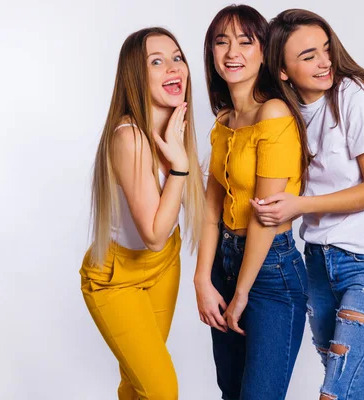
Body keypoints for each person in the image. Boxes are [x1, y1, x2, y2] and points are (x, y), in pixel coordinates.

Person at [252, 9, 364, 399]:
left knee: (338, 393)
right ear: (283, 70)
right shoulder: (285, 112)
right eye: (308, 56)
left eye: (326, 49)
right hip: (319, 264)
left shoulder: (356, 94)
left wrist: (299, 206)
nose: (325, 62)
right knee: (351, 389)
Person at [194, 5, 311, 400]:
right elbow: (211, 210)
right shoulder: (224, 120)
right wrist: (202, 280)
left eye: (246, 41)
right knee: (231, 393)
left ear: (264, 53)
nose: (232, 52)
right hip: (224, 263)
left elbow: (265, 213)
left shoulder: (274, 112)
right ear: (211, 52)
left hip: (269, 272)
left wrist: (241, 292)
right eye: (221, 41)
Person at [79, 27, 204, 400]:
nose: (173, 68)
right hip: (116, 278)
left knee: (138, 385)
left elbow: (170, 234)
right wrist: (180, 166)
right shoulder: (128, 137)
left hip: (164, 265)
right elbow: (152, 233)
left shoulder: (175, 128)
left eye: (177, 58)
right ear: (136, 74)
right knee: (162, 390)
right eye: (157, 61)